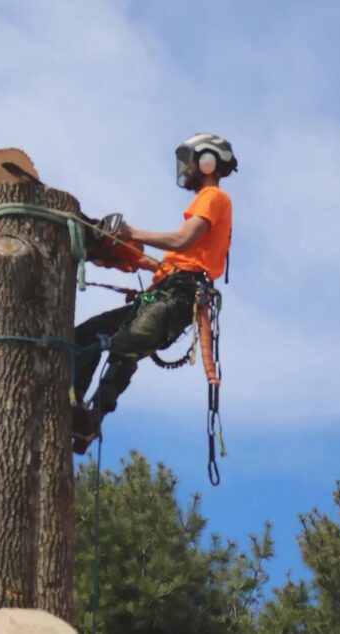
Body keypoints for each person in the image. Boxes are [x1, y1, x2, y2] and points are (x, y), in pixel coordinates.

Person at [72, 133, 238, 454]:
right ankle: (83, 413)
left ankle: (87, 411)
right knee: (94, 337)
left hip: (178, 296)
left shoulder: (213, 197)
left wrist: (131, 232)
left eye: (190, 161)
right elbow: (180, 259)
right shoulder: (212, 202)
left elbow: (182, 242)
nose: (185, 168)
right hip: (170, 291)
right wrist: (132, 257)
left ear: (208, 162)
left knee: (115, 343)